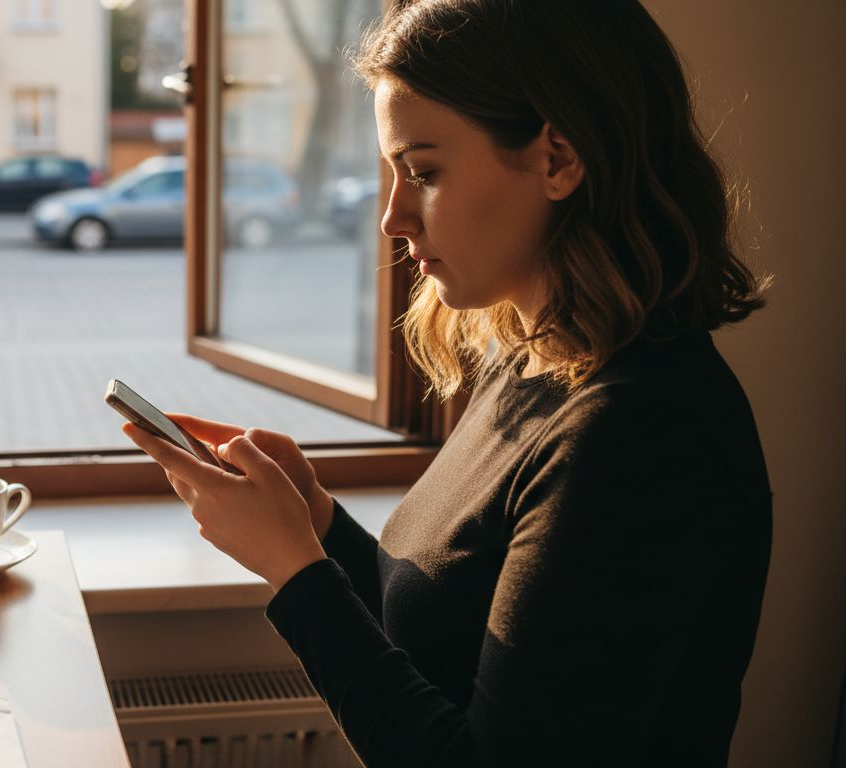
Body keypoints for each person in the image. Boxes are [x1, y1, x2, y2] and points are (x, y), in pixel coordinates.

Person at [121, 0, 773, 765]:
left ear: (558, 158)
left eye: (423, 172)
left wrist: (294, 573)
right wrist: (319, 527)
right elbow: (452, 635)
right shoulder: (532, 360)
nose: (393, 218)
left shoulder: (641, 432)